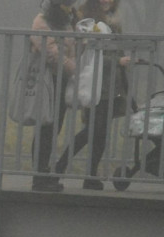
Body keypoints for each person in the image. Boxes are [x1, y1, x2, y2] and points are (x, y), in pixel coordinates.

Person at [54, 0, 132, 189]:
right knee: (92, 130)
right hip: (95, 82)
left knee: (100, 133)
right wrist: (118, 61)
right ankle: (60, 166)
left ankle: (89, 175)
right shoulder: (85, 18)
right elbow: (86, 53)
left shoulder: (114, 20)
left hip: (111, 84)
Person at [30, 0, 79, 192]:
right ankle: (39, 176)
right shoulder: (41, 21)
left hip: (62, 81)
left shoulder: (67, 22)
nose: (68, 7)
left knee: (54, 127)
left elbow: (73, 48)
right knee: (45, 126)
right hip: (46, 80)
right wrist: (74, 68)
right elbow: (51, 52)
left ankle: (44, 172)